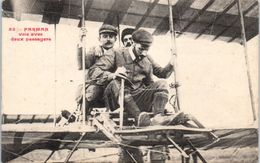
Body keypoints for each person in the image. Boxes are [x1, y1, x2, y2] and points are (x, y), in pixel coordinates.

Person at [88, 29, 176, 126]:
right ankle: (139, 119)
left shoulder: (147, 58)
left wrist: (171, 64)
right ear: (133, 43)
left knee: (162, 84)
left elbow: (162, 74)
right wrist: (112, 75)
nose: (143, 53)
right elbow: (93, 71)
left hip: (136, 96)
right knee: (117, 82)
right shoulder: (116, 53)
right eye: (141, 49)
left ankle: (158, 117)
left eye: (147, 49)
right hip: (116, 98)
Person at [75, 24, 118, 116]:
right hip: (95, 85)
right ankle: (83, 116)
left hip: (110, 85)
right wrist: (81, 41)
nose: (108, 39)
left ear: (115, 39)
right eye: (105, 36)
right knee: (92, 92)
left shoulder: (118, 53)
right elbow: (81, 65)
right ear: (99, 39)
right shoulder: (94, 51)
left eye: (111, 36)